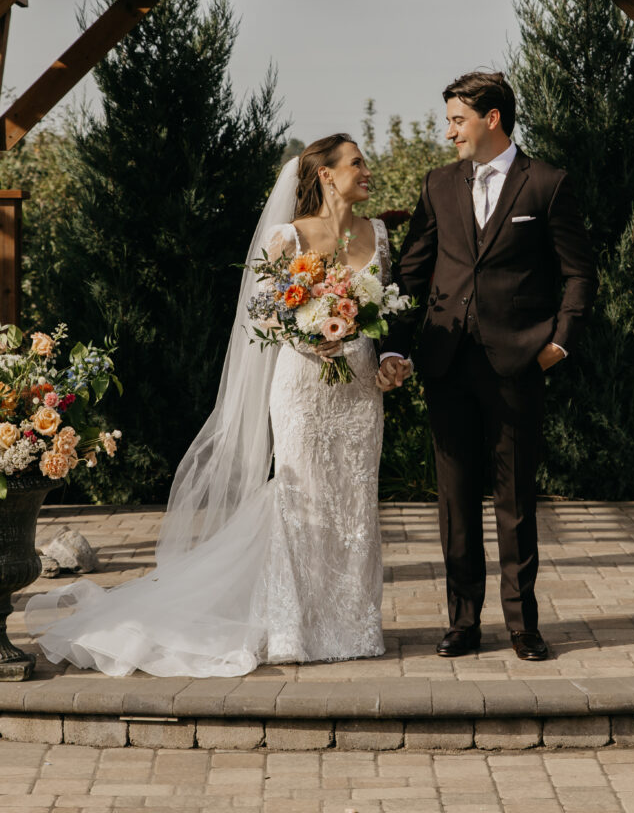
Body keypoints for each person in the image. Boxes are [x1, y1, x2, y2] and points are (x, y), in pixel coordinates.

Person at [25, 135, 392, 676]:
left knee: (354, 502)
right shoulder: (285, 236)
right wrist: (307, 335)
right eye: (356, 162)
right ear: (326, 175)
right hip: (302, 385)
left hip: (358, 387)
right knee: (300, 498)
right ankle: (293, 628)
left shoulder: (378, 233)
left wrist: (389, 357)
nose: (367, 169)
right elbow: (261, 316)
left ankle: (353, 624)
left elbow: (387, 307)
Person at [377, 71, 596, 661]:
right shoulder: (438, 185)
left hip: (518, 361)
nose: (449, 131)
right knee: (454, 498)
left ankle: (524, 625)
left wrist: (560, 340)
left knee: (516, 497)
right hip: (446, 361)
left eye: (456, 119)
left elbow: (579, 272)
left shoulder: (546, 184)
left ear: (491, 119)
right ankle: (463, 622)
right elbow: (411, 274)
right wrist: (396, 346)